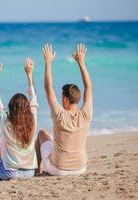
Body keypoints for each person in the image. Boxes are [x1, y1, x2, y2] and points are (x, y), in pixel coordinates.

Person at [35, 43, 93, 176]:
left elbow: (48, 88)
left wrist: (48, 63)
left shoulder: (59, 115)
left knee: (42, 134)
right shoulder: (86, 114)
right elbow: (88, 87)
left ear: (66, 100)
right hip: (81, 168)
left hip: (58, 169)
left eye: (62, 98)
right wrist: (81, 62)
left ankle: (38, 169)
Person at [0, 57, 39, 180]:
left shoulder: (5, 121)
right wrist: (29, 74)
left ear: (11, 107)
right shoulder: (33, 120)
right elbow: (33, 97)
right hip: (29, 172)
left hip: (9, 173)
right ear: (27, 108)